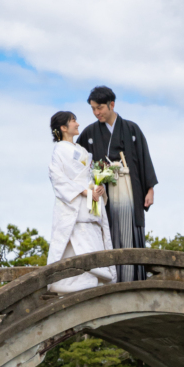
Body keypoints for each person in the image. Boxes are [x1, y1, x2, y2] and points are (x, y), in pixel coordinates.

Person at [77, 86, 158, 283]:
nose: (96, 113)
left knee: (129, 232)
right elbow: (78, 163)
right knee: (106, 232)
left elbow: (144, 159)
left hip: (128, 188)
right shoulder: (89, 133)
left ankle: (132, 281)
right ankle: (109, 282)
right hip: (103, 192)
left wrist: (150, 189)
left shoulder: (131, 129)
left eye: (100, 108)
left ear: (111, 105)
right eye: (93, 109)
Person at [47, 110, 116, 294]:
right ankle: (71, 289)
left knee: (94, 240)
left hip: (91, 205)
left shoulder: (82, 150)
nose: (77, 124)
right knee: (74, 247)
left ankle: (96, 286)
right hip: (74, 207)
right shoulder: (59, 150)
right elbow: (57, 178)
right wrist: (84, 192)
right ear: (63, 127)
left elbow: (89, 177)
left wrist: (99, 188)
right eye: (73, 121)